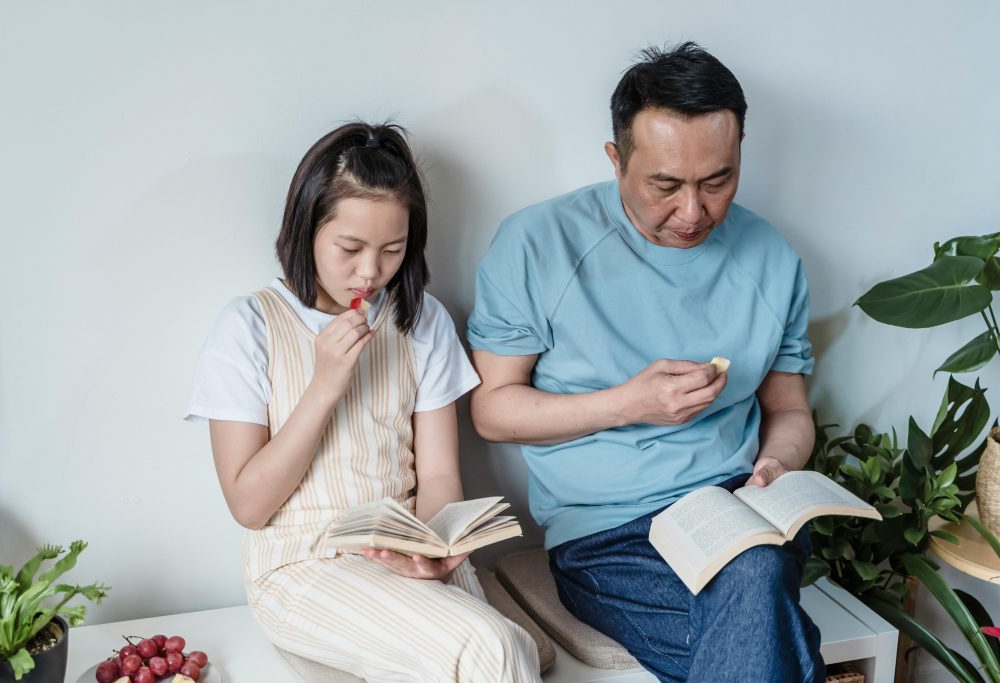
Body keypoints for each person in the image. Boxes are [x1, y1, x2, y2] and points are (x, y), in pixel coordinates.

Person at [467, 43, 824, 682]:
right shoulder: (537, 244)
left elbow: (789, 408)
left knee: (755, 569)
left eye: (718, 181)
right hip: (608, 540)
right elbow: (493, 410)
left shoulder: (772, 258)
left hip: (741, 512)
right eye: (666, 185)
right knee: (765, 599)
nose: (693, 212)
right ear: (616, 159)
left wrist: (778, 463)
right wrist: (627, 403)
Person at [185, 122, 539, 682]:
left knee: (508, 650)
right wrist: (325, 384)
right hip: (301, 567)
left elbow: (441, 478)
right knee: (490, 650)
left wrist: (430, 550)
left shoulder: (421, 322)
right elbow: (249, 505)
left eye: (392, 250)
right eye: (350, 248)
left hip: (405, 546)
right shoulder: (249, 326)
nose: (371, 272)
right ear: (306, 229)